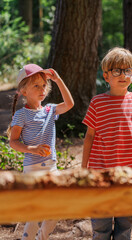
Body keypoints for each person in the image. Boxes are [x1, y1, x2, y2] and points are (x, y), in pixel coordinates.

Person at [82, 47, 132, 240]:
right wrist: (84, 168)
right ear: (106, 76)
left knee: (125, 226)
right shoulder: (97, 102)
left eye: (128, 71)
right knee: (101, 226)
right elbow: (90, 136)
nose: (123, 75)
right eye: (117, 71)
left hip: (130, 172)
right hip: (101, 171)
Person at [8, 64, 74, 240]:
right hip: (32, 171)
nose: (42, 89)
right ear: (23, 91)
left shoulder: (50, 110)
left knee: (58, 208)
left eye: (44, 85)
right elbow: (13, 141)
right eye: (36, 86)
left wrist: (58, 79)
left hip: (52, 169)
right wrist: (32, 149)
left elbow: (69, 103)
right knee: (35, 215)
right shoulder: (21, 115)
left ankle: (41, 238)